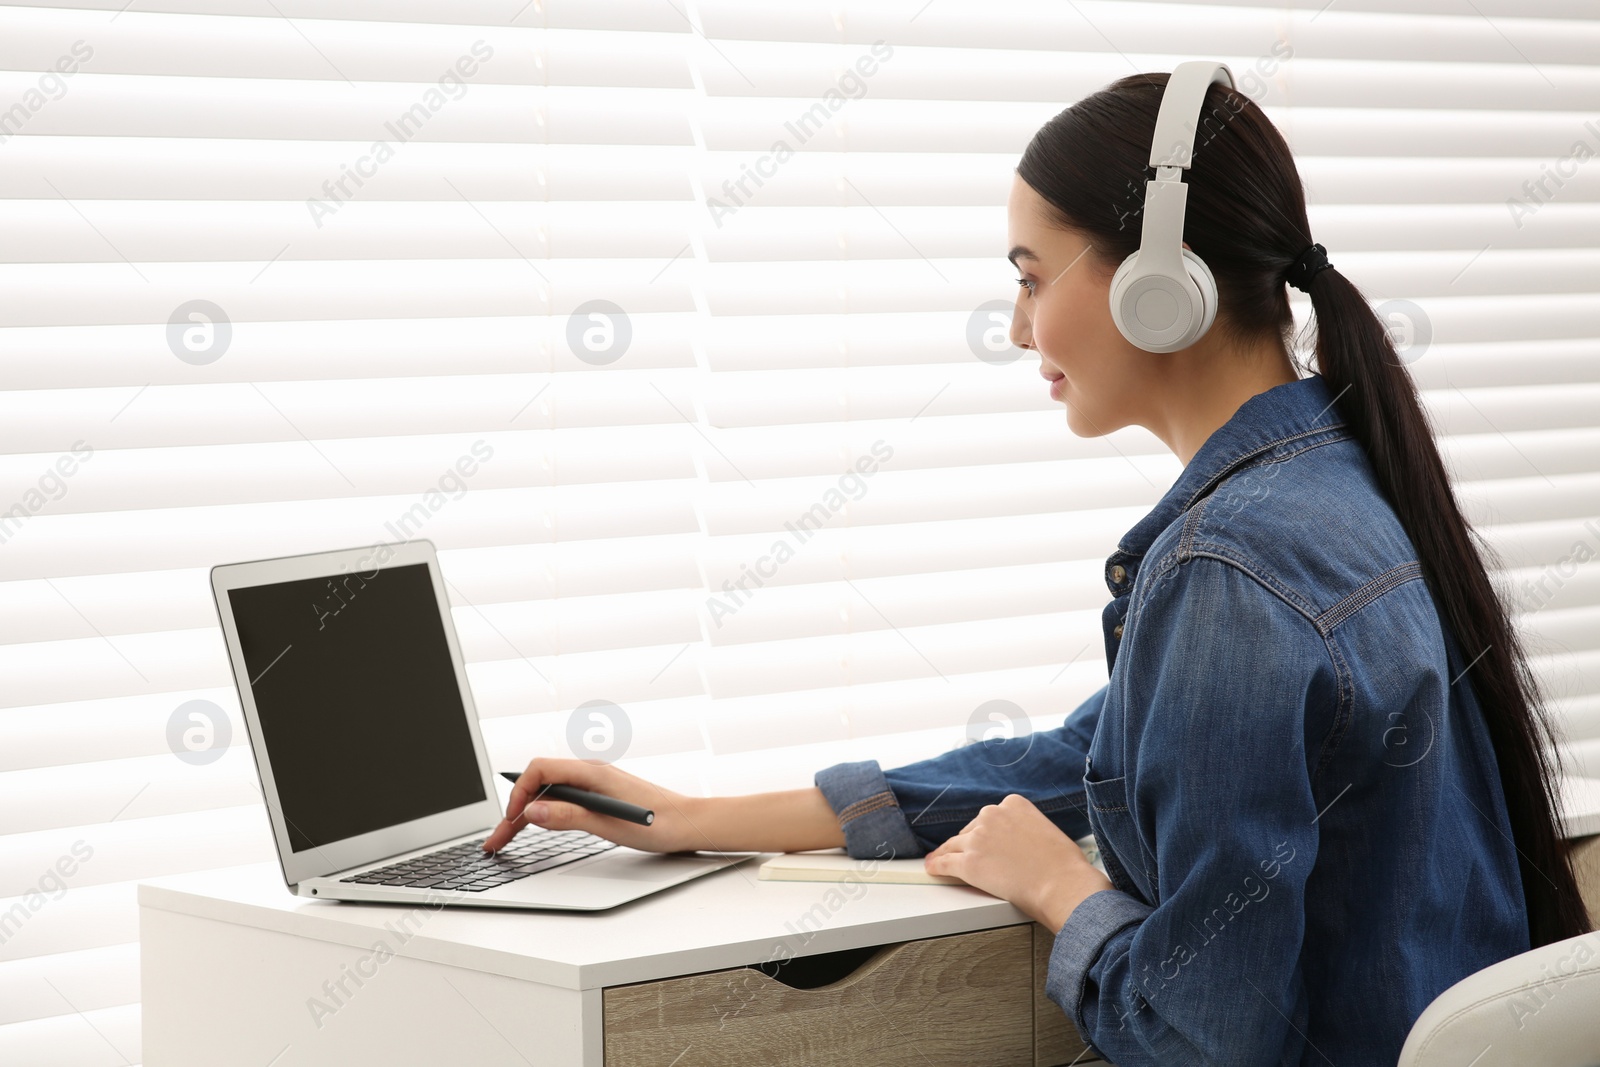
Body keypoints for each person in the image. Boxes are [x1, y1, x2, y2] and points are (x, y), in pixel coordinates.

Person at [483, 70, 1592, 1064]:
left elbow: (1202, 1035)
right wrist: (699, 814)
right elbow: (1087, 755)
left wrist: (1057, 885)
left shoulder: (1233, 570)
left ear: (1158, 283)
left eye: (1028, 276)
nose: (1018, 328)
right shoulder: (1333, 488)